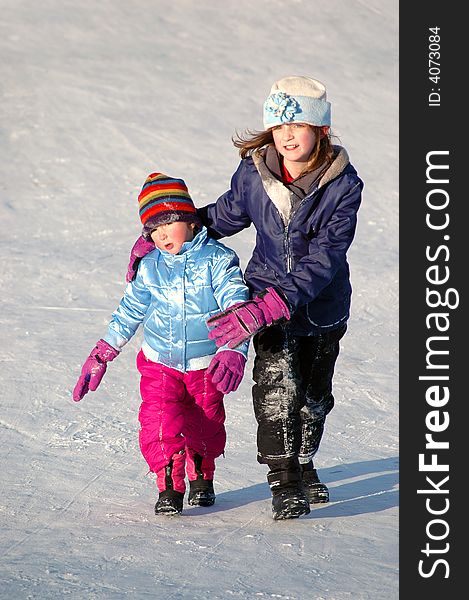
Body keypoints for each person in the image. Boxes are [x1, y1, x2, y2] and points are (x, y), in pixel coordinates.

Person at [126, 76, 364, 520]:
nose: (287, 135)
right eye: (278, 126)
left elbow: (325, 259)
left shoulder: (343, 186)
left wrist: (274, 302)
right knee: (275, 393)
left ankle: (305, 460)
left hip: (322, 307)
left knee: (314, 397)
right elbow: (224, 215)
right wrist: (170, 227)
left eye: (297, 124)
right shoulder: (254, 174)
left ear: (322, 130)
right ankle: (284, 480)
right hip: (263, 302)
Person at [73, 172, 250, 516]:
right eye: (154, 229)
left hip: (205, 363)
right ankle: (168, 482)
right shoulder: (150, 265)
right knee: (158, 420)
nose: (162, 234)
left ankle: (201, 474)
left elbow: (235, 302)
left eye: (169, 222)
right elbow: (130, 310)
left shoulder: (217, 259)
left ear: (189, 219)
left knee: (205, 422)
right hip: (159, 363)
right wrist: (104, 350)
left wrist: (232, 347)